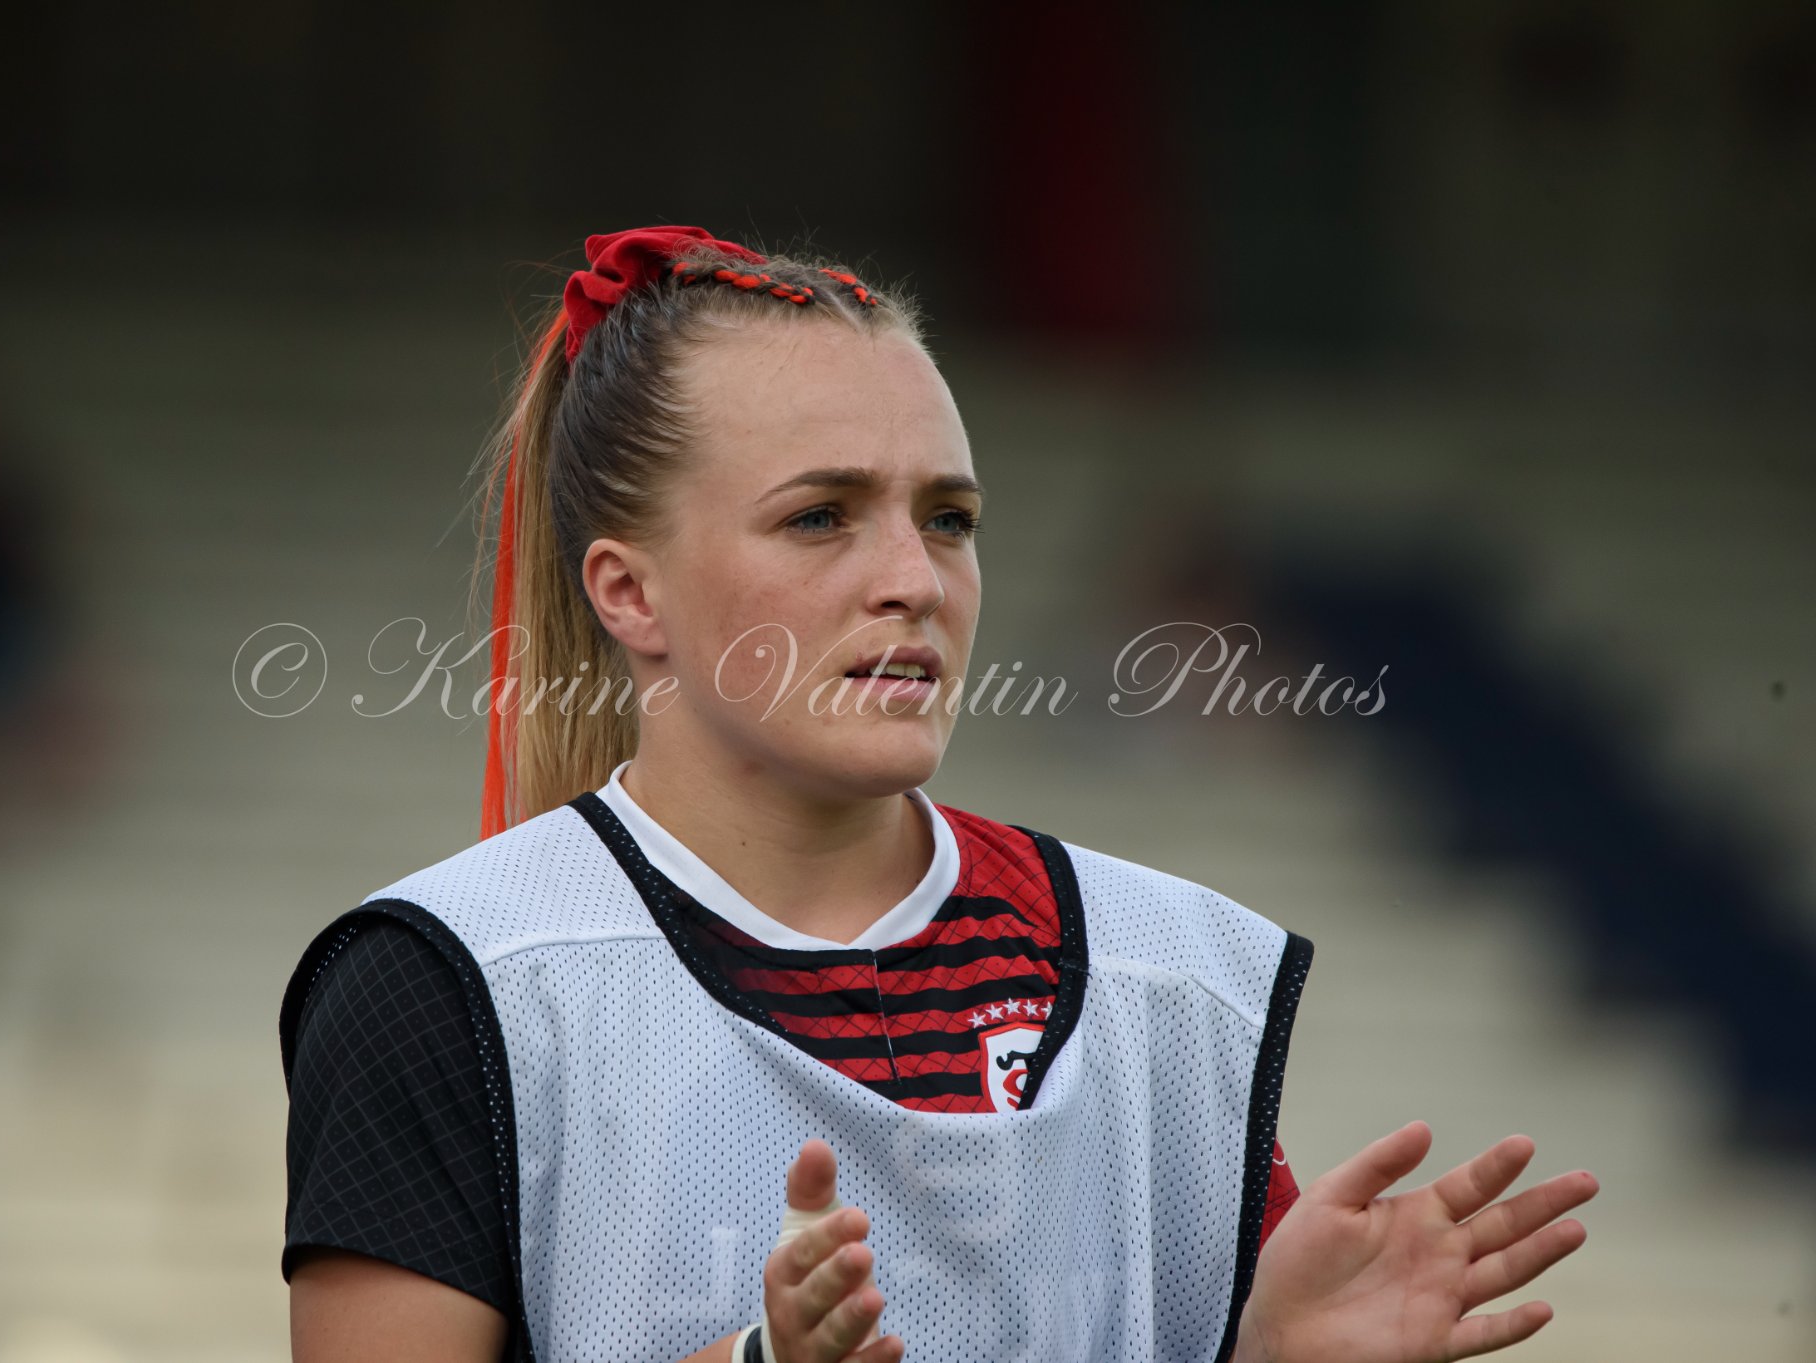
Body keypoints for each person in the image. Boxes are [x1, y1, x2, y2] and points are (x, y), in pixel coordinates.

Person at [279, 226, 1599, 1362]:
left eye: (950, 519)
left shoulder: (1167, 978)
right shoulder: (445, 982)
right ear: (629, 592)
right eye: (821, 516)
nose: (915, 579)